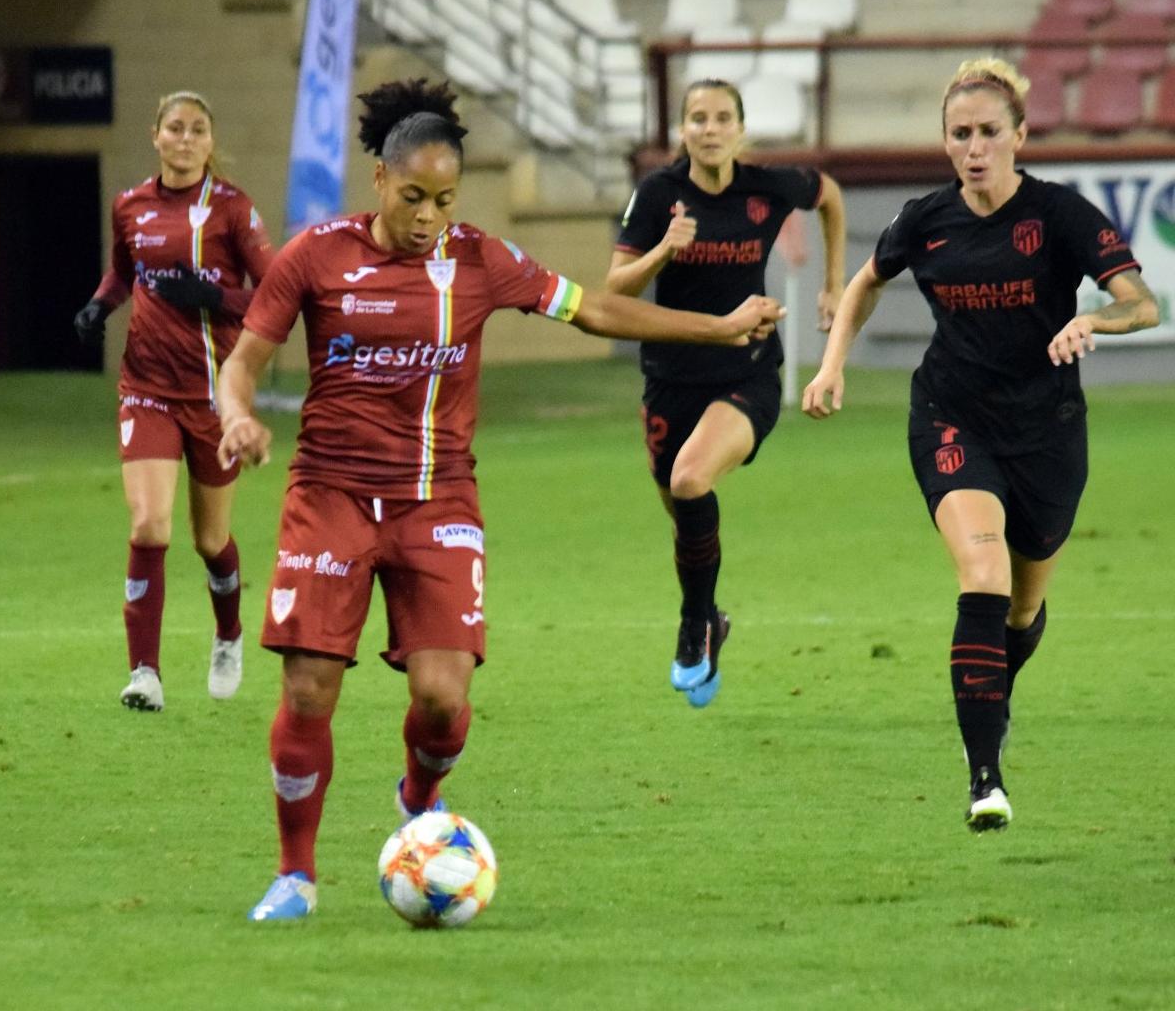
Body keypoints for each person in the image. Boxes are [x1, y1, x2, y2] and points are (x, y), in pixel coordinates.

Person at [215, 78, 786, 921]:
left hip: (437, 502)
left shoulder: (482, 260)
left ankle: (420, 796)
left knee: (443, 697)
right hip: (330, 496)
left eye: (444, 199)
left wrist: (719, 324)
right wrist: (235, 418)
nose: (427, 216)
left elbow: (594, 311)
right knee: (307, 690)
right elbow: (244, 363)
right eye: (412, 196)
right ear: (379, 180)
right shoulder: (316, 255)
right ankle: (295, 874)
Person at [802, 58, 1158, 831]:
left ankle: (993, 695)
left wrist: (1094, 319)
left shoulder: (1061, 215)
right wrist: (832, 365)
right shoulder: (926, 219)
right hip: (950, 415)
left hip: (1048, 432)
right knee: (983, 569)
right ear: (945, 143)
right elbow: (865, 280)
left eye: (989, 133)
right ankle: (984, 776)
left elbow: (1144, 304)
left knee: (1023, 611)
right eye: (959, 134)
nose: (974, 147)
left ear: (1020, 136)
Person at [606, 78, 846, 708]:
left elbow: (831, 196)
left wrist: (834, 283)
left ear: (740, 129)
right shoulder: (660, 194)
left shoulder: (769, 186)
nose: (708, 129)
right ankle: (713, 616)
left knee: (689, 480)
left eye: (721, 118)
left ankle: (693, 626)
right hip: (669, 380)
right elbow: (615, 290)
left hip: (747, 374)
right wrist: (663, 249)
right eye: (696, 118)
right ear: (681, 131)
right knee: (681, 511)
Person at [73, 91, 274, 712]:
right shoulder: (129, 205)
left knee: (211, 541)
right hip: (148, 389)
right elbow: (124, 272)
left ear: (210, 143)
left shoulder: (233, 210)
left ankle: (229, 632)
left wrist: (215, 298)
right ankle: (146, 673)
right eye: (175, 128)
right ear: (155, 135)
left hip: (215, 397)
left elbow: (274, 294)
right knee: (148, 525)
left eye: (198, 130)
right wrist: (100, 305)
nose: (185, 139)